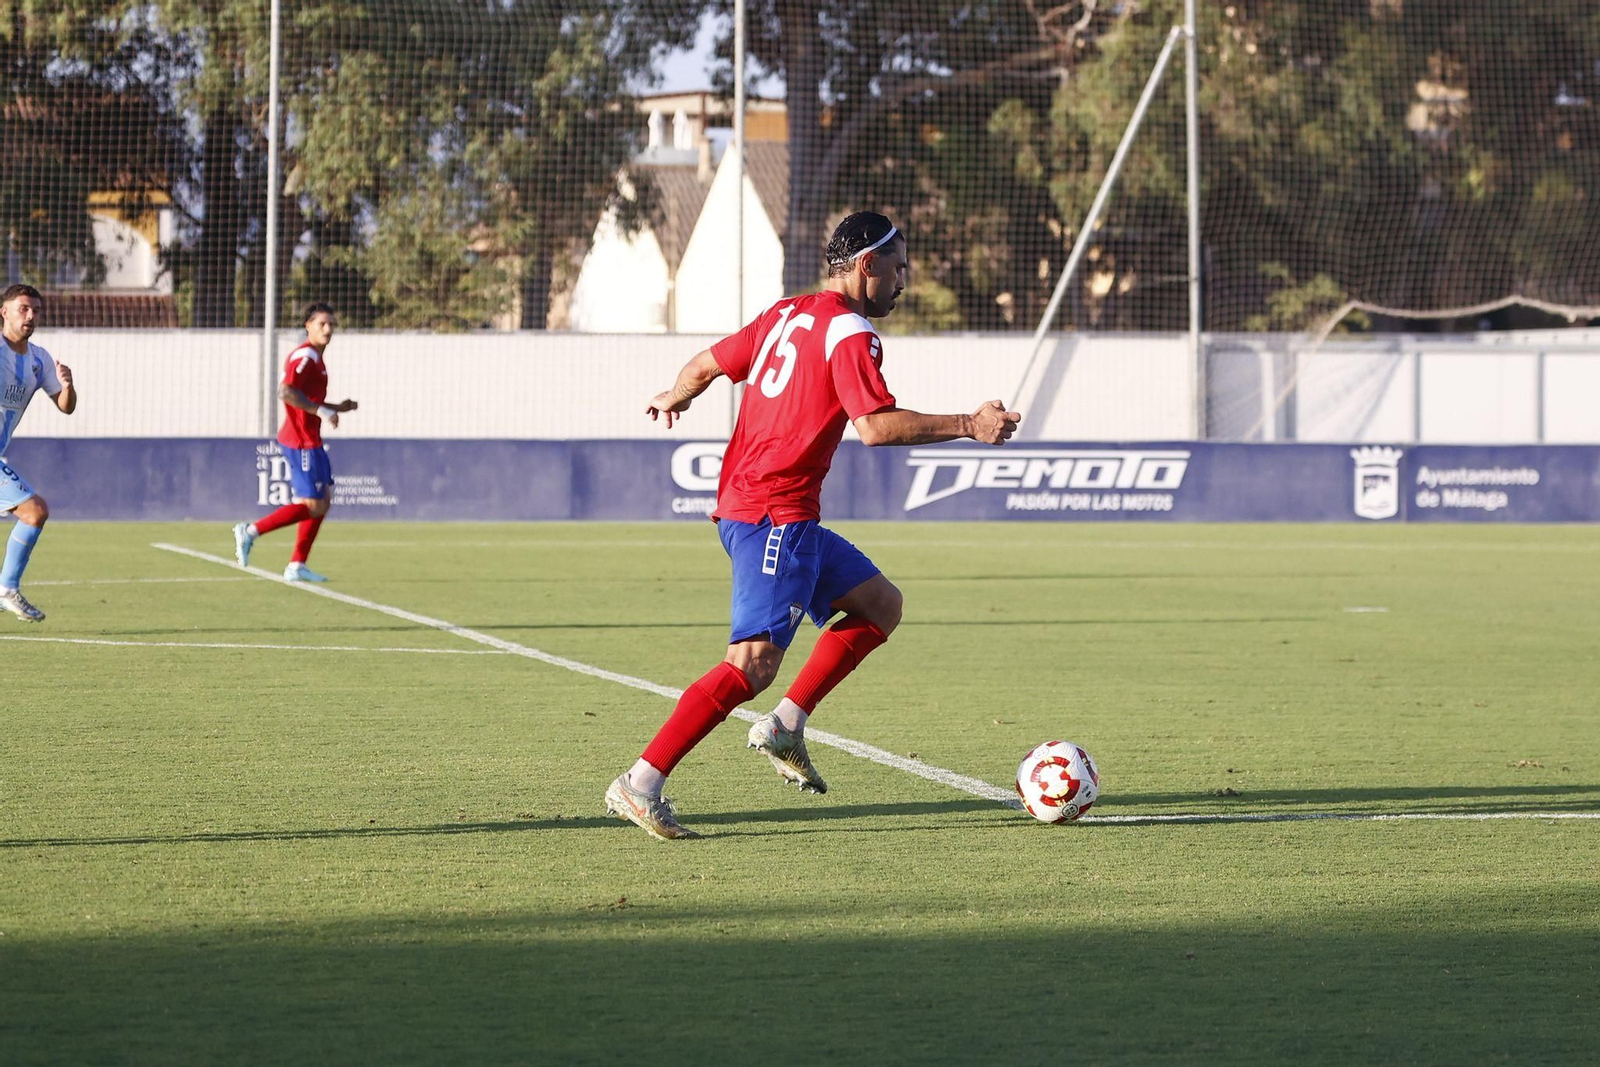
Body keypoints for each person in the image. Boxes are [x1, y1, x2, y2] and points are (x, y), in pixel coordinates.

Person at [605, 211, 1021, 840]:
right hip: (775, 516)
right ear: (866, 265)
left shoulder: (782, 313)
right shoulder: (852, 332)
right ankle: (641, 782)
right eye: (900, 267)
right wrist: (969, 423)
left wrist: (677, 393)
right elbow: (876, 427)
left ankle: (786, 726)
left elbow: (705, 364)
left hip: (760, 508)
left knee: (880, 604)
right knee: (751, 665)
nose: (904, 282)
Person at [232, 302, 357, 581]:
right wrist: (322, 411)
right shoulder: (305, 356)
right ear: (308, 327)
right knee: (312, 504)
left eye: (331, 324)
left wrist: (336, 407)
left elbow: (308, 398)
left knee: (323, 500)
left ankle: (297, 565)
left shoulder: (317, 359)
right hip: (299, 440)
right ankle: (250, 531)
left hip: (311, 438)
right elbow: (285, 392)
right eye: (321, 324)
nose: (328, 328)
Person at [0, 285, 77, 622]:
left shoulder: (39, 359)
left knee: (35, 512)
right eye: (23, 309)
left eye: (35, 310)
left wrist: (69, 386)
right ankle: (7, 589)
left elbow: (66, 407)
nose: (30, 316)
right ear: (4, 311)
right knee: (34, 511)